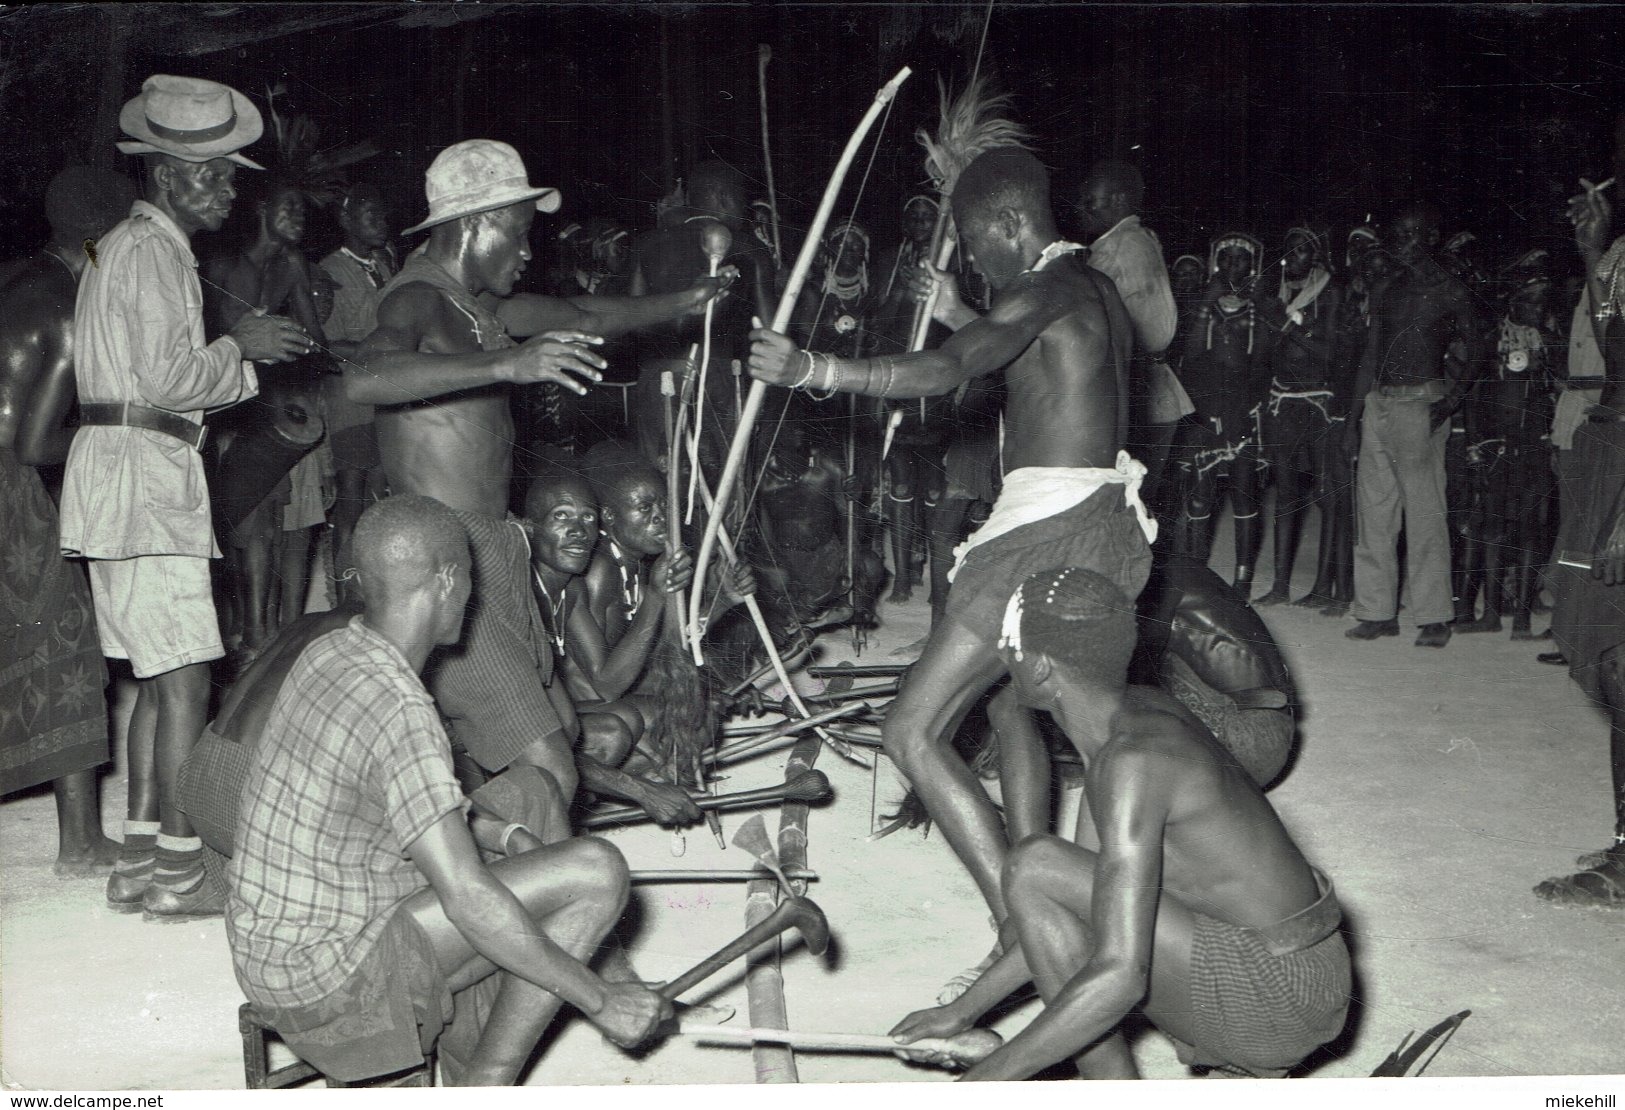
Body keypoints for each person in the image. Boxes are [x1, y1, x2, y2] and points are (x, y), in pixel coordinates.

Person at [747, 146, 1154, 947]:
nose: (970, 259)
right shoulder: (1093, 288)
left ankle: (1023, 928)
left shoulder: (1040, 288)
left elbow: (945, 370)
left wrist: (812, 368)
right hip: (1104, 520)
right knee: (1010, 705)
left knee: (911, 730)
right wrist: (967, 313)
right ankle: (1040, 879)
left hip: (1048, 533)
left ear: (1008, 223)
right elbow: (1050, 362)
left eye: (973, 244)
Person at [227, 495, 669, 1085]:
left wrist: (505, 833)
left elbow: (397, 801)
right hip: (331, 984)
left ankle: (469, 1051)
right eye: (468, 579)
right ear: (446, 580)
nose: (472, 596)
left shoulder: (337, 649)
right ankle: (488, 1079)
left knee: (532, 792)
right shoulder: (402, 708)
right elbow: (466, 898)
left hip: (272, 947)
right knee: (597, 871)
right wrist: (599, 999)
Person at [349, 139, 726, 806]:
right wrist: (507, 366)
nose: (528, 253)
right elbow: (366, 375)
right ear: (477, 224)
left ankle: (489, 829)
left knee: (563, 729)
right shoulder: (416, 299)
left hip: (495, 546)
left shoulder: (479, 308)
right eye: (519, 235)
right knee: (549, 761)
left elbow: (586, 316)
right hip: (446, 552)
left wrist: (685, 301)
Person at [889, 568, 1350, 1081]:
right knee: (1038, 867)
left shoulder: (1133, 762)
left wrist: (981, 1083)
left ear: (1040, 670)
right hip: (1293, 965)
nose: (999, 657)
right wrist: (963, 1011)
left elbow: (1122, 975)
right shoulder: (1129, 718)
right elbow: (1084, 913)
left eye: (1007, 646)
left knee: (1041, 875)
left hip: (1277, 996)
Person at [58, 75, 312, 918]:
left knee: (154, 677)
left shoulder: (112, 247)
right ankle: (181, 869)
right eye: (217, 174)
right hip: (146, 478)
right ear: (169, 176)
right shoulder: (158, 253)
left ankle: (139, 861)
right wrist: (242, 346)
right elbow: (171, 379)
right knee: (189, 679)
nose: (232, 189)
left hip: (111, 477)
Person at [0, 165, 137, 876]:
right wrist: (114, 432)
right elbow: (34, 441)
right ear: (96, 242)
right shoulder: (68, 307)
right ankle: (82, 844)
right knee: (65, 642)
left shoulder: (20, 281)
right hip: (8, 489)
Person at [522, 466, 704, 827]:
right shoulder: (531, 592)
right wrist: (641, 790)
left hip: (567, 716)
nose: (579, 531)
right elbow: (604, 686)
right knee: (616, 729)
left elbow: (652, 658)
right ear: (529, 527)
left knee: (676, 710)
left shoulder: (569, 589)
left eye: (586, 517)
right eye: (561, 516)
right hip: (517, 742)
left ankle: (611, 786)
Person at [206, 177, 335, 657]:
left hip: (266, 403)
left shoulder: (292, 266)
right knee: (236, 521)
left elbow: (314, 338)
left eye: (303, 210)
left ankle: (259, 635)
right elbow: (203, 343)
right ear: (262, 207)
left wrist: (334, 358)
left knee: (265, 519)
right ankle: (244, 627)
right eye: (289, 207)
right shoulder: (221, 266)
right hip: (221, 408)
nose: (299, 219)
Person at [1541, 178, 1625, 908]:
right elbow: (1615, 358)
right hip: (1610, 453)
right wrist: (1595, 253)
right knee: (1603, 651)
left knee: (1618, 657)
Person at [1344, 203, 1478, 649]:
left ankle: (1434, 616)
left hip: (1421, 404)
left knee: (1425, 515)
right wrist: (1353, 419)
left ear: (1431, 237)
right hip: (1379, 406)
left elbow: (1480, 347)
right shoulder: (1387, 287)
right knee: (1375, 515)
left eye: (1410, 234)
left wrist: (1452, 400)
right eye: (1396, 234)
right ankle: (1377, 612)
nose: (1400, 243)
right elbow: (1370, 355)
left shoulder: (1450, 290)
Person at [1456, 250, 1561, 638]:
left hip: (1534, 444)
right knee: (1494, 526)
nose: (1538, 309)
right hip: (1496, 446)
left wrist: (1545, 370)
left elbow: (1562, 390)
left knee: (1532, 528)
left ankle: (1521, 618)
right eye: (1531, 301)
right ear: (1514, 301)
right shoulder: (1489, 340)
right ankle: (1491, 613)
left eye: (1543, 303)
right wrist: (1474, 446)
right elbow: (1472, 395)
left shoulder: (1549, 343)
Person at [1076, 160, 1186, 500]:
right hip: (1157, 387)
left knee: (1124, 505)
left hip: (1135, 390)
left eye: (1091, 201)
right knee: (1141, 501)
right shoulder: (1141, 238)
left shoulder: (1117, 249)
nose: (1082, 210)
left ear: (1120, 201)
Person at [1172, 232, 1269, 589]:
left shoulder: (1260, 311)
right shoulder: (1205, 308)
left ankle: (1242, 579)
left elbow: (1260, 365)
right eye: (1225, 258)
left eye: (1240, 260)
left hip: (1241, 410)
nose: (1232, 266)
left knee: (1244, 491)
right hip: (1207, 408)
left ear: (1253, 265)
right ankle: (1197, 572)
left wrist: (1242, 407)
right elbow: (1192, 360)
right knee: (1200, 492)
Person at [1254, 226, 1344, 606]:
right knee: (1287, 493)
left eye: (1303, 250)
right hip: (1282, 401)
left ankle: (1324, 587)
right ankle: (1279, 586)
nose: (1294, 256)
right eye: (1289, 249)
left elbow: (1329, 354)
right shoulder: (1275, 294)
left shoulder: (1330, 292)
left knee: (1325, 493)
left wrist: (1288, 327)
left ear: (1317, 256)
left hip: (1319, 402)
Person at [318, 182, 397, 582]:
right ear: (347, 221)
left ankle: (375, 586)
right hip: (351, 397)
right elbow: (325, 345)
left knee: (381, 496)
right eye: (372, 216)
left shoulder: (384, 266)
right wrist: (381, 348)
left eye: (383, 215)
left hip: (385, 397)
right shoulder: (330, 271)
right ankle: (343, 585)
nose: (382, 223)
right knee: (352, 495)